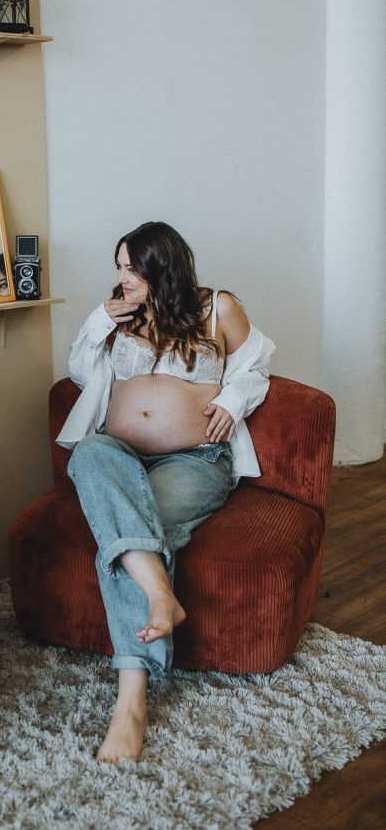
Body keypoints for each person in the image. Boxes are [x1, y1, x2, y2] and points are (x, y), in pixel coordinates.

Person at [57, 221, 275, 763]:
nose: (122, 279)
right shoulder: (118, 313)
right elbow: (81, 375)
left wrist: (232, 401)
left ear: (162, 266)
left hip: (193, 458)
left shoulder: (217, 307)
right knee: (89, 454)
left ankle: (130, 700)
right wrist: (96, 321)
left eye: (132, 269)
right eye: (119, 268)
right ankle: (159, 595)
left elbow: (257, 369)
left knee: (144, 524)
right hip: (119, 452)